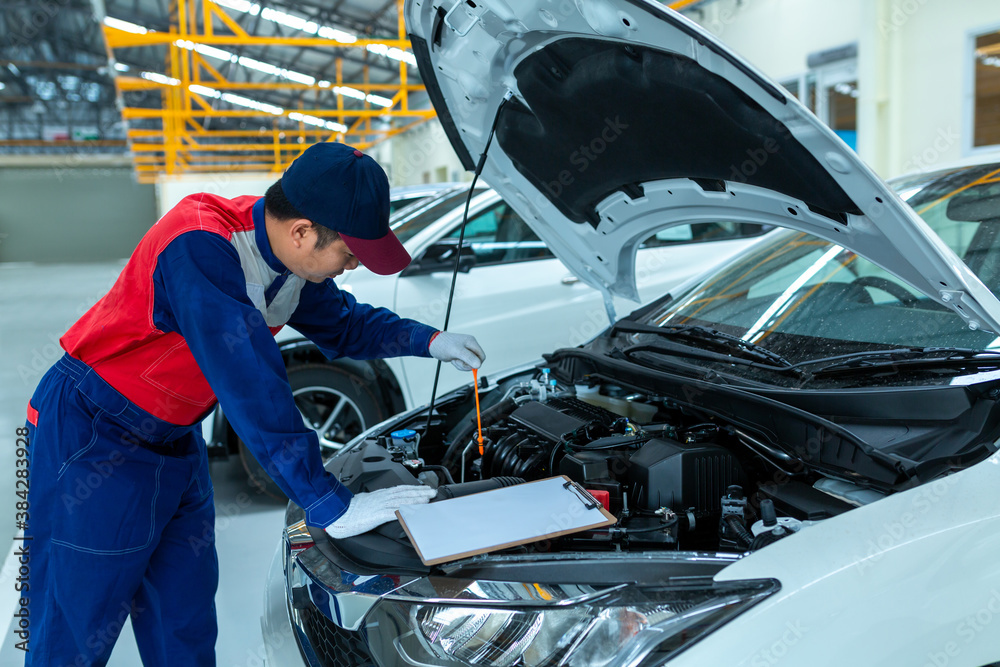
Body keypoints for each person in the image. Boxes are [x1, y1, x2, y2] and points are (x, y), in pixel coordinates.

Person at [22, 142, 485, 665]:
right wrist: (328, 502)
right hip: (92, 433)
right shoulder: (199, 244)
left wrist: (430, 340)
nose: (352, 266)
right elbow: (250, 383)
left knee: (185, 622)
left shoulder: (292, 264)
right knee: (76, 626)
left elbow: (347, 322)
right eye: (350, 253)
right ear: (303, 231)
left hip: (173, 437)